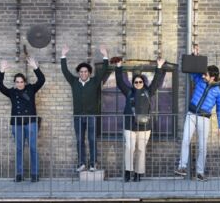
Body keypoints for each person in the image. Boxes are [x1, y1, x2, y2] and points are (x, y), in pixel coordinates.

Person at [174, 46, 220, 182]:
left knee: (202, 146)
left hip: (204, 118)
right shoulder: (199, 80)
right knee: (185, 140)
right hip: (191, 115)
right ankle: (182, 167)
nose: (203, 76)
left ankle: (200, 173)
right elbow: (192, 71)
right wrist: (195, 55)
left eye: (206, 75)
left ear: (212, 77)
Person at [115, 56, 166, 182]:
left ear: (143, 83)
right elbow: (120, 82)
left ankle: (138, 173)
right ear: (133, 83)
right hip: (130, 125)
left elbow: (156, 81)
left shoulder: (148, 91)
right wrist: (118, 67)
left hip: (144, 126)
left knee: (141, 150)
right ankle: (128, 171)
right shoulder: (128, 91)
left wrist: (159, 67)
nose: (138, 84)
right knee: (130, 148)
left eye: (140, 82)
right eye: (136, 82)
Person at [61, 44, 111, 172]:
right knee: (79, 140)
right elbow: (65, 71)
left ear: (89, 73)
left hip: (91, 116)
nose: (83, 73)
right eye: (81, 71)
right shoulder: (74, 82)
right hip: (78, 116)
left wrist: (105, 56)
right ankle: (81, 163)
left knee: (92, 139)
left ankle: (93, 163)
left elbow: (104, 70)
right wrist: (63, 56)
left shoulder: (94, 81)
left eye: (86, 71)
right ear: (79, 73)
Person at [0, 56, 45, 182]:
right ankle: (19, 174)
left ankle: (35, 174)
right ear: (15, 83)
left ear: (25, 82)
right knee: (19, 149)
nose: (19, 84)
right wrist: (2, 71)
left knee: (33, 148)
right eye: (17, 82)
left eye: (21, 81)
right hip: (17, 123)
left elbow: (41, 80)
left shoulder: (31, 89)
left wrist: (36, 68)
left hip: (31, 122)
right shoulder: (12, 92)